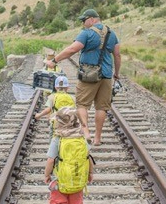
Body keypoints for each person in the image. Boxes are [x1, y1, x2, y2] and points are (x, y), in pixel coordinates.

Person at [46, 9, 121, 146]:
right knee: (102, 107)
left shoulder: (87, 33)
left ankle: (85, 131)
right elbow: (117, 55)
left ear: (92, 19)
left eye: (84, 20)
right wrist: (116, 74)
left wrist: (54, 61)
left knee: (82, 104)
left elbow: (72, 49)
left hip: (89, 75)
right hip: (106, 75)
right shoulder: (112, 34)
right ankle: (97, 139)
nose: (82, 23)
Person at [44, 107, 94, 204]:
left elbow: (50, 160)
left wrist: (47, 175)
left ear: (59, 123)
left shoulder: (58, 139)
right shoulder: (82, 139)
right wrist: (90, 173)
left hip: (60, 178)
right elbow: (88, 158)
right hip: (77, 178)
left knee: (58, 201)